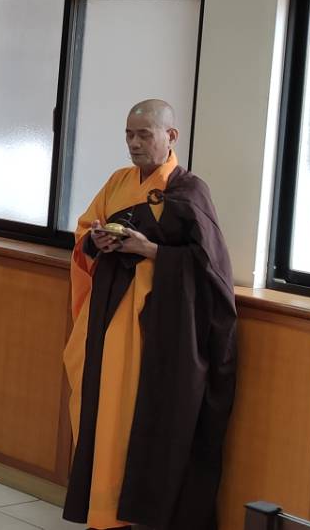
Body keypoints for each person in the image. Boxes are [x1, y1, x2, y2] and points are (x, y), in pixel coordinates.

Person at [62, 99, 237, 530]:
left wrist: (151, 250)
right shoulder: (118, 182)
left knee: (135, 414)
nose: (134, 143)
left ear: (170, 136)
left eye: (144, 134)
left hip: (158, 326)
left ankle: (139, 514)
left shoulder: (189, 190)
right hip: (107, 314)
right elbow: (85, 230)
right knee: (99, 408)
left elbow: (211, 265)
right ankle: (102, 511)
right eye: (129, 134)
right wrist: (96, 242)